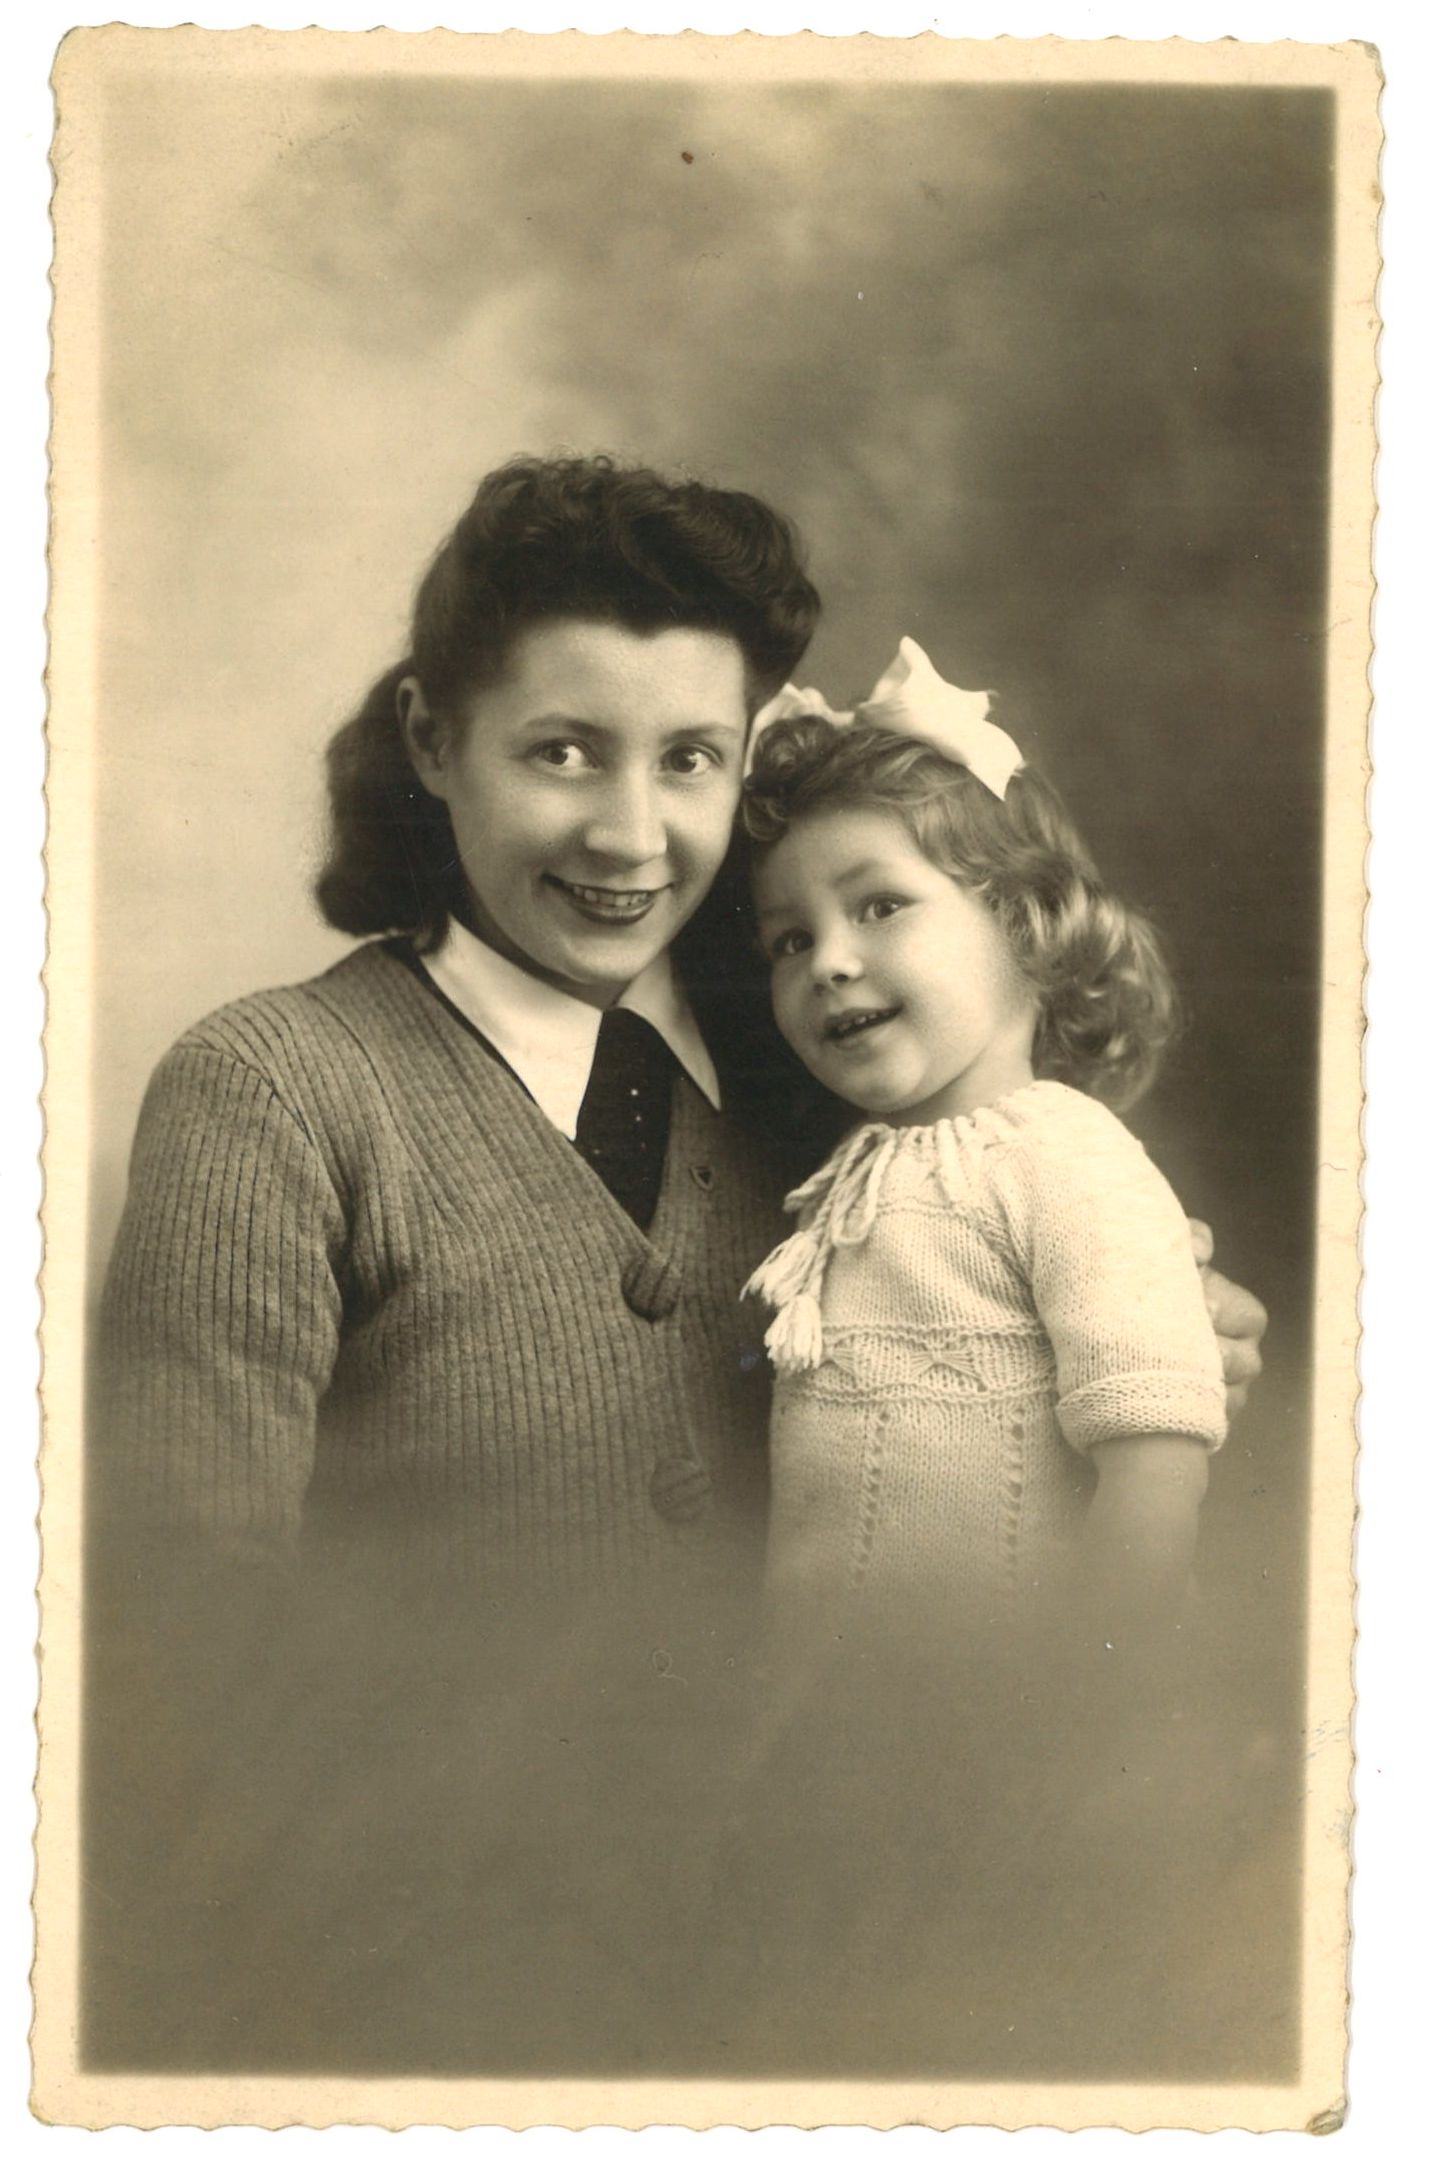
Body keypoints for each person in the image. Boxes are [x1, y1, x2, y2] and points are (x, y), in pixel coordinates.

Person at [86, 457, 1267, 2071]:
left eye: (691, 759)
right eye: (561, 750)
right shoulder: (274, 1088)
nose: (630, 834)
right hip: (422, 1991)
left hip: (828, 1971)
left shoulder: (812, 1084)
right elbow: (173, 1635)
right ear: (433, 738)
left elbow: (1026, 1310)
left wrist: (1159, 1344)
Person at [741, 637, 1230, 1643]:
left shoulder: (1065, 1156)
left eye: (879, 907)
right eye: (789, 939)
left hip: (1005, 1701)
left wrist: (1089, 1683)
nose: (828, 961)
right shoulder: (850, 1179)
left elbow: (1155, 1449)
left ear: (1025, 924)